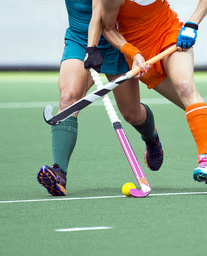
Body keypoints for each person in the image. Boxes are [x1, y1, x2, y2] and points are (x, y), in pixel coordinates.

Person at [86, 0, 207, 185]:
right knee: (191, 106)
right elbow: (108, 29)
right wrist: (133, 53)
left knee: (186, 88)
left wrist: (192, 24)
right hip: (143, 55)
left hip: (169, 34)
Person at [37, 0, 164, 196]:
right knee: (69, 98)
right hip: (80, 39)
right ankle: (59, 174)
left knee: (132, 114)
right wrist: (88, 48)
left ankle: (151, 138)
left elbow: (99, 11)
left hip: (116, 41)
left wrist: (93, 49)